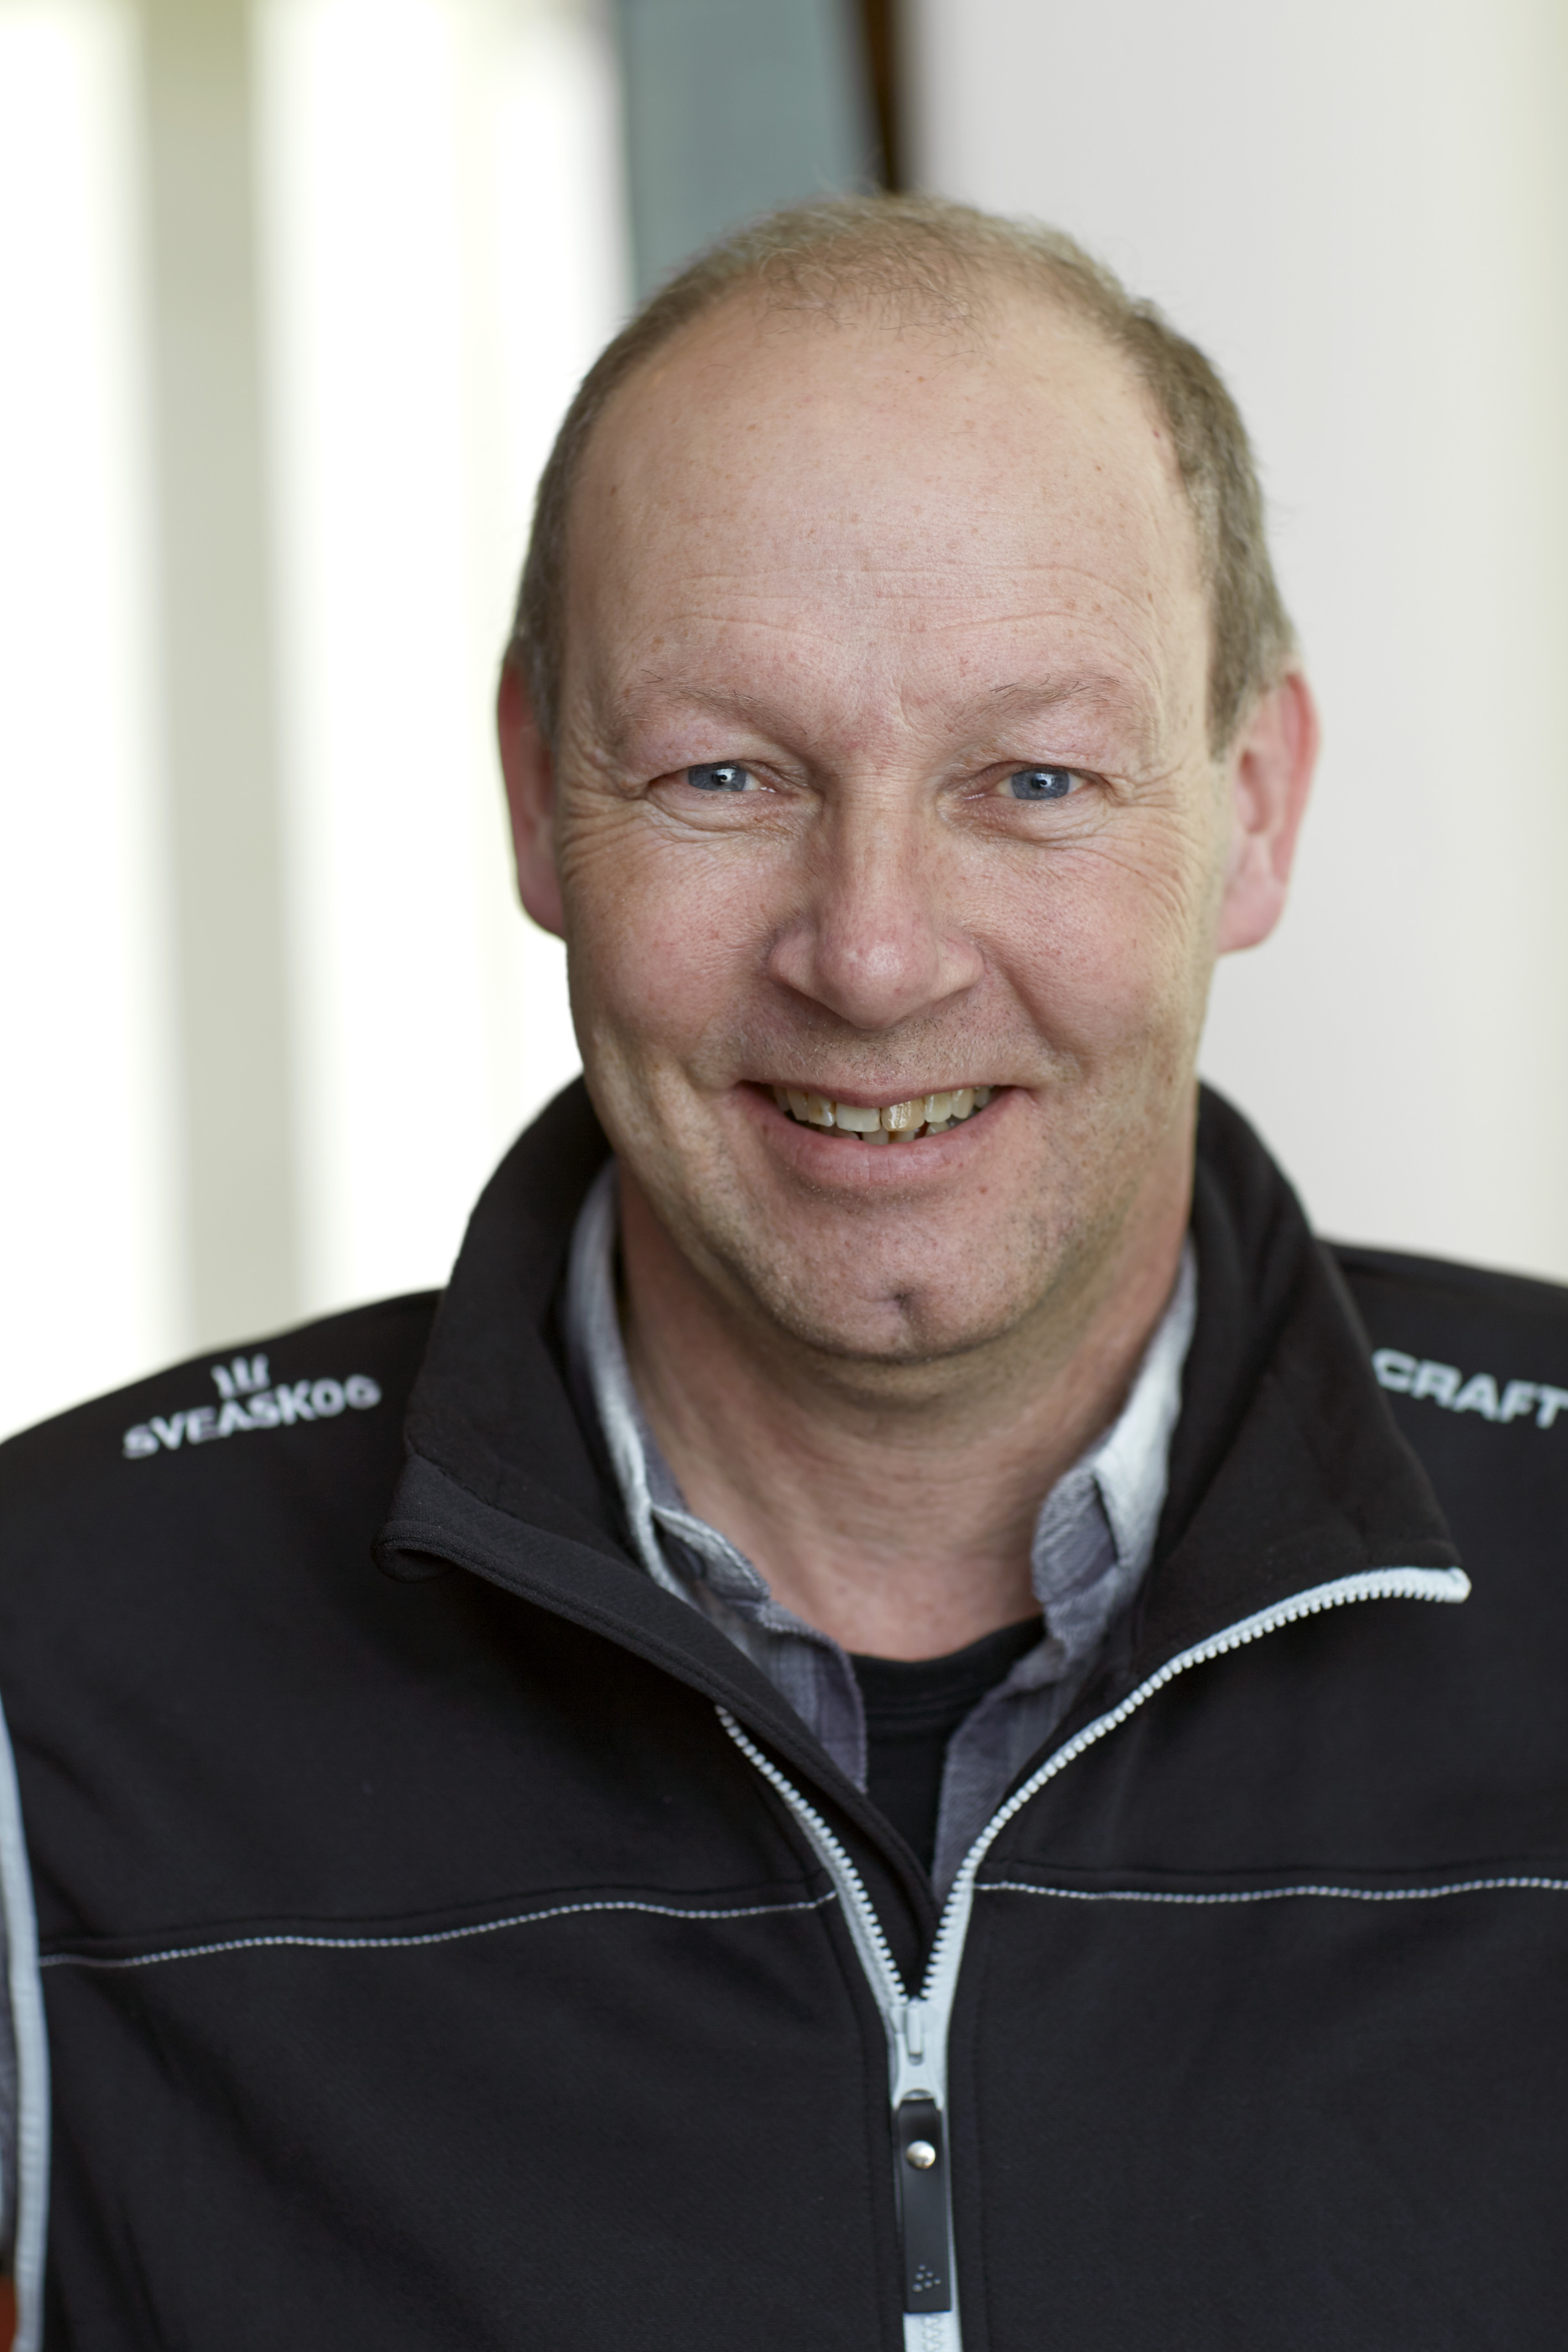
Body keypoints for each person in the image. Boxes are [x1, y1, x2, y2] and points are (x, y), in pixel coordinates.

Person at [1, 194, 1565, 2352]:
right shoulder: (49, 1669)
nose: (874, 953)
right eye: (724, 774)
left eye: (1032, 778)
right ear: (537, 800)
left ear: (1254, 805)